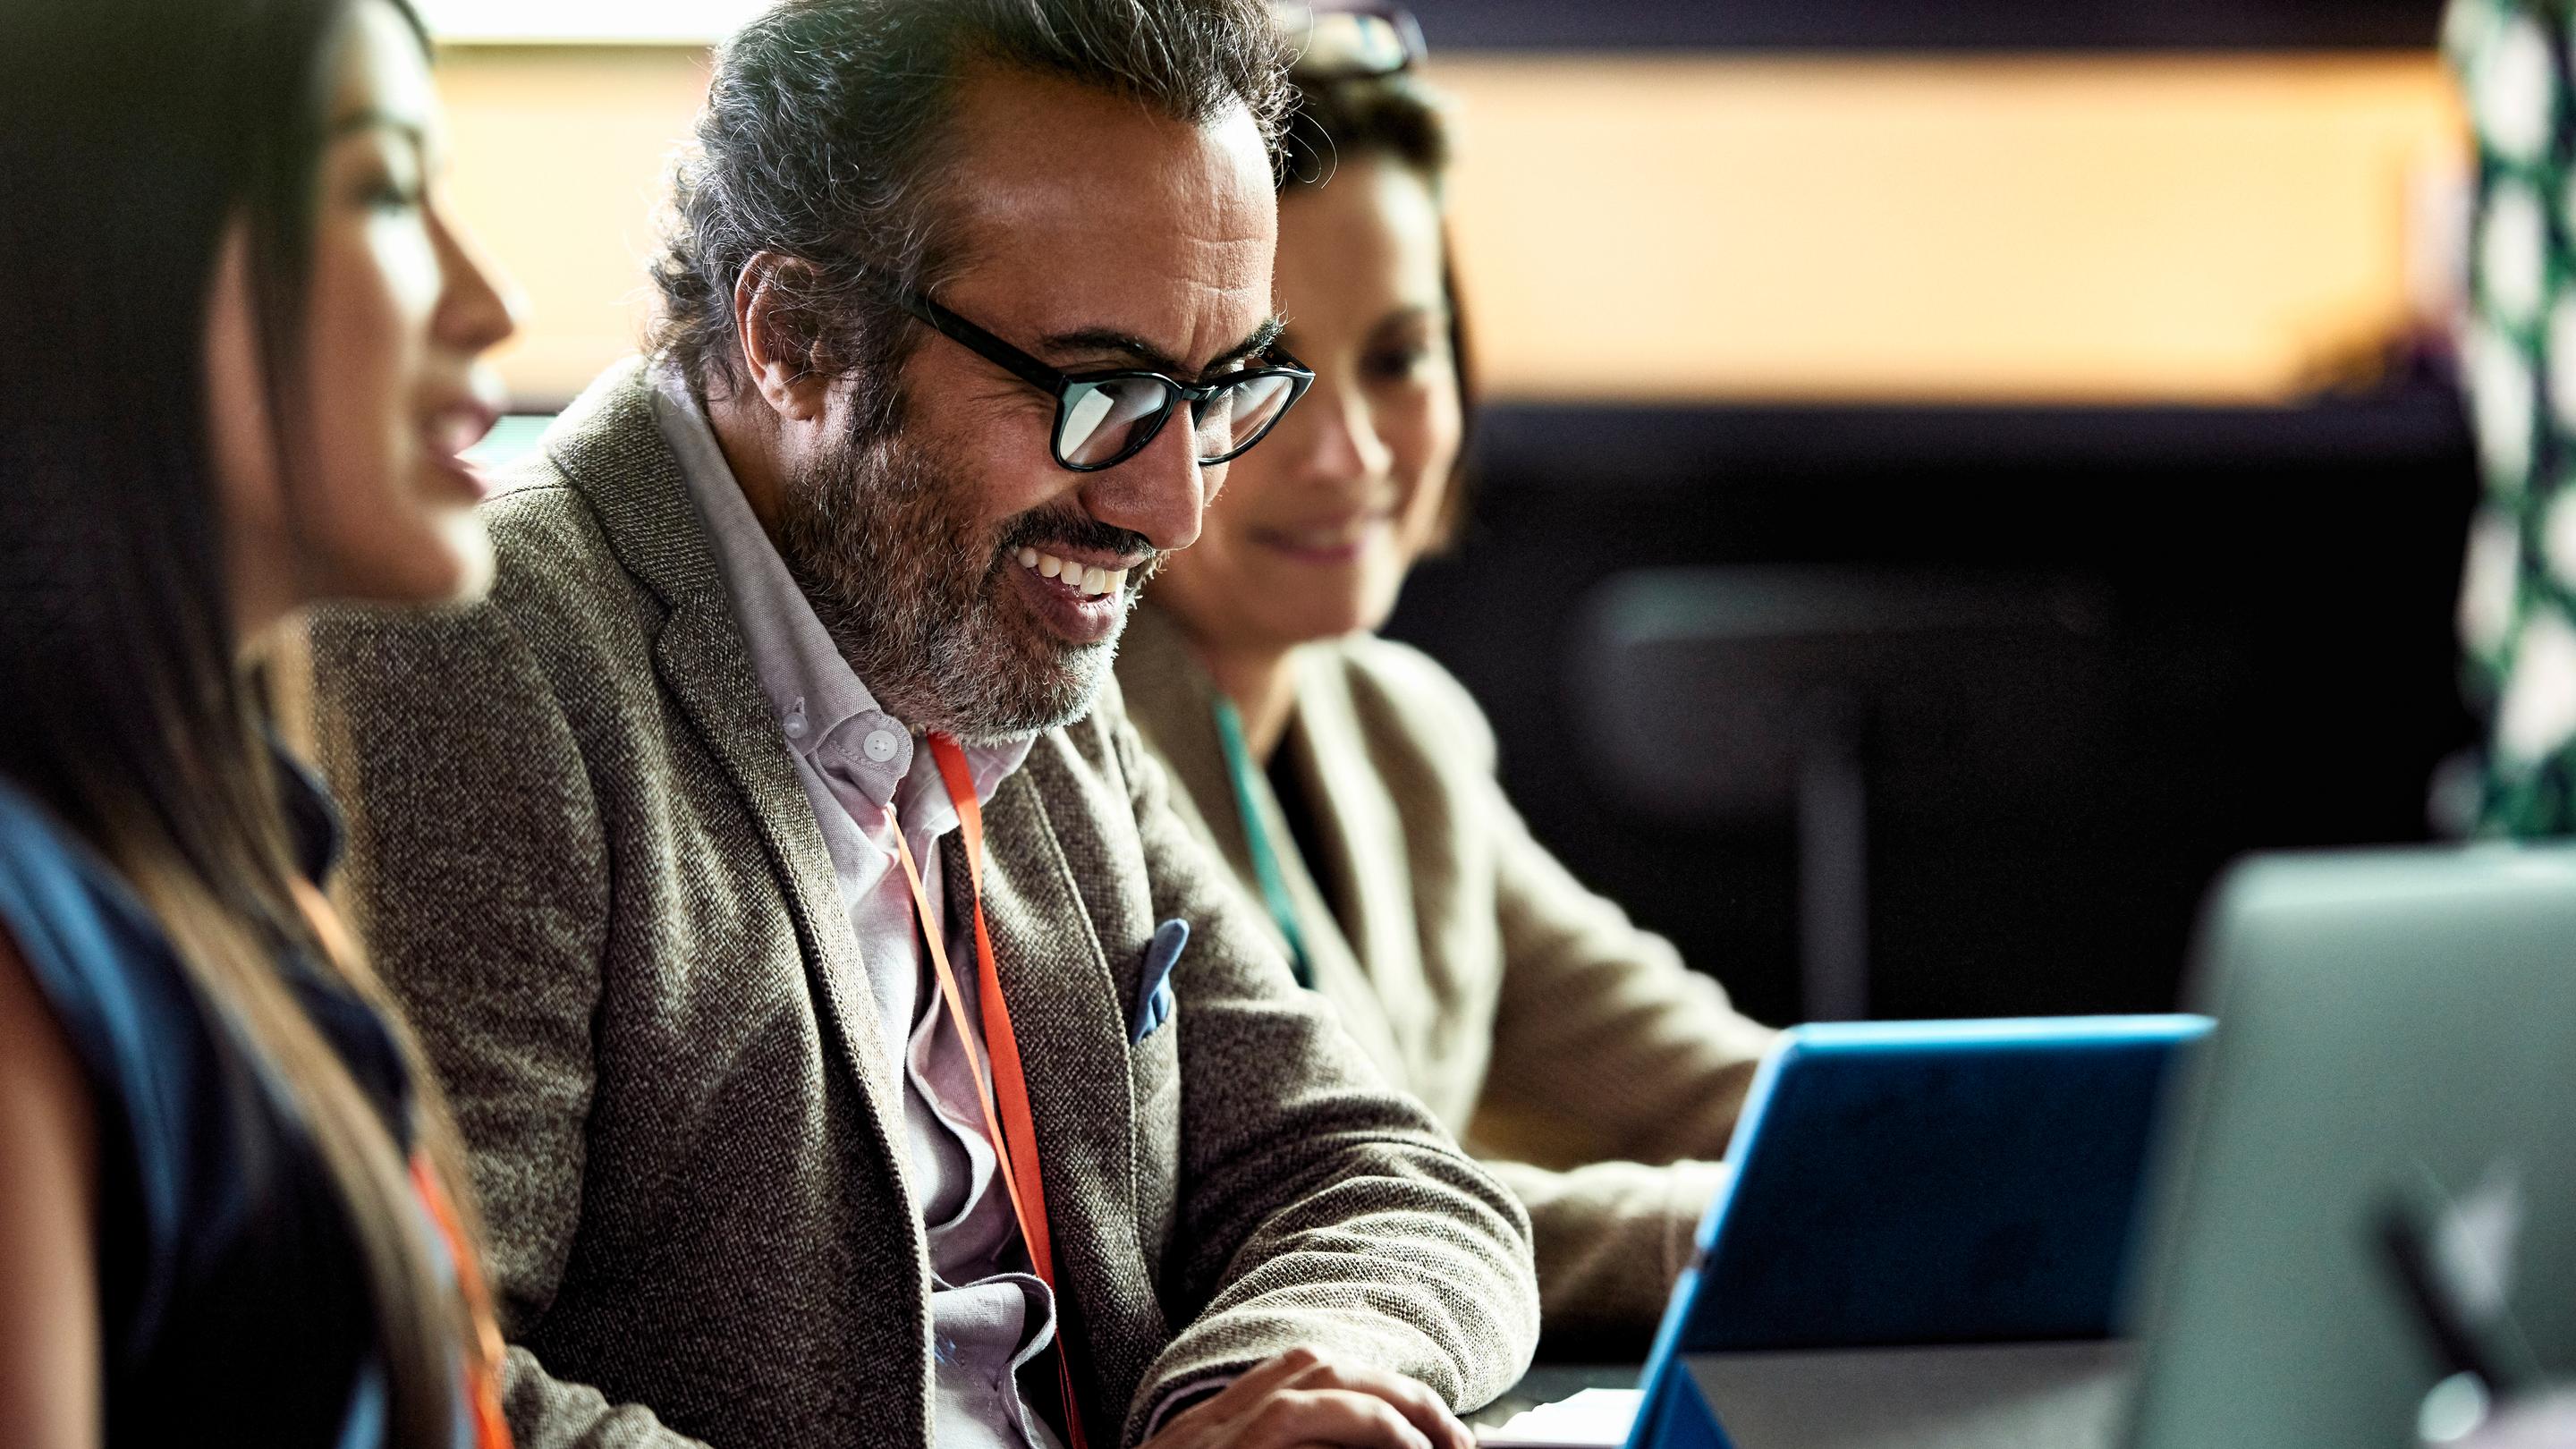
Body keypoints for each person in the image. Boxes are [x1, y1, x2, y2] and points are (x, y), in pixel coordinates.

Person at [303, 2, 1539, 1446]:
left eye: (1216, 393)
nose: (1172, 507)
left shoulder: (999, 629)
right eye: (1104, 391)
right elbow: (421, 1383)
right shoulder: (472, 653)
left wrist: (1255, 1395)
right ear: (794, 338)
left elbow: (1388, 1179)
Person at [1115, 17, 1779, 1335]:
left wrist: (1979, 1139)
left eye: (1399, 359)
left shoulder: (1401, 723)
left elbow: (1713, 1084)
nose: (1352, 453)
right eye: (1264, 377)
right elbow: (1279, 1219)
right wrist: (1737, 1227)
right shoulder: (1051, 758)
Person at [0, 0, 521, 1445]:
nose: (487, 303)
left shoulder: (236, 833)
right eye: (386, 190)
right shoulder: (32, 939)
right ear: (116, 237)